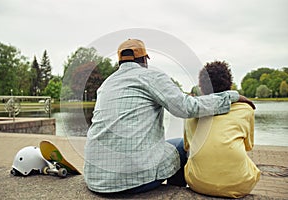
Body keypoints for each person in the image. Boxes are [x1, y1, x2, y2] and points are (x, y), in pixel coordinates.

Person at [84, 39, 255, 194]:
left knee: (169, 145)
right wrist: (230, 97)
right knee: (181, 145)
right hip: (133, 181)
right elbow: (187, 107)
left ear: (119, 61)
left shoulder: (106, 84)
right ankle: (178, 192)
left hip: (96, 179)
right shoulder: (151, 76)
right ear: (144, 60)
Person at [183, 61, 260, 198]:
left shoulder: (191, 114)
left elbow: (186, 146)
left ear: (202, 87)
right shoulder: (246, 109)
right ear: (229, 84)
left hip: (197, 184)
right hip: (240, 185)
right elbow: (248, 146)